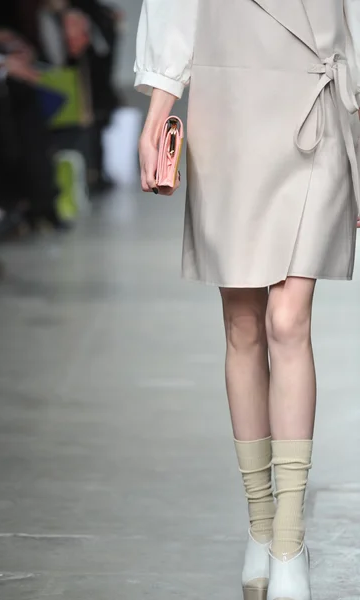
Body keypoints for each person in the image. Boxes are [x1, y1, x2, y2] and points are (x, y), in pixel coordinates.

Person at [135, 2, 360, 600]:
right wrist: (160, 106)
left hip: (321, 92)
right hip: (228, 99)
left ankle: (288, 539)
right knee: (243, 325)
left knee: (289, 320)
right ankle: (260, 525)